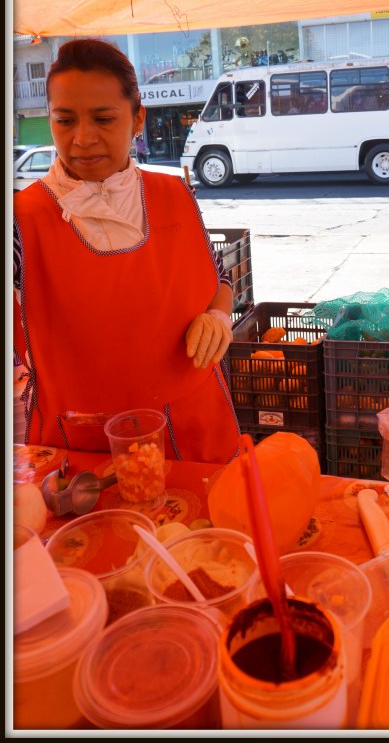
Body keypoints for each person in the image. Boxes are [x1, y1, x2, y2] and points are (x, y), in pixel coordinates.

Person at [13, 38, 241, 464]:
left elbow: (219, 279)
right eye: (64, 121)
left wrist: (218, 316)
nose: (82, 139)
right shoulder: (21, 219)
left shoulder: (175, 194)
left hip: (196, 436)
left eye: (103, 119)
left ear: (138, 119)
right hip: (85, 454)